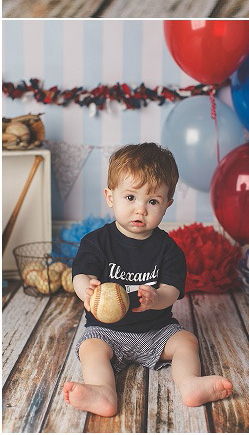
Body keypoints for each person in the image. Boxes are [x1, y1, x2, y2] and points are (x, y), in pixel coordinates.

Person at [64, 142, 232, 416]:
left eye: (152, 201)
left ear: (167, 204)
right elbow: (81, 274)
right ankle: (103, 392)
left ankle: (189, 383)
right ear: (110, 196)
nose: (140, 209)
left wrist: (157, 298)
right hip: (108, 331)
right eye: (130, 198)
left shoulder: (168, 249)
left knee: (186, 341)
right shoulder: (96, 242)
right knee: (90, 349)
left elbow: (172, 290)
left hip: (156, 330)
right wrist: (88, 290)